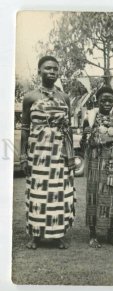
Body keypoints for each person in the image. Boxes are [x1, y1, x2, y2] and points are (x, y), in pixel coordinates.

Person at [20, 55, 76, 249]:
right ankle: (35, 236)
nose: (52, 72)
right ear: (39, 71)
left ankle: (57, 235)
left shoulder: (64, 98)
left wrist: (70, 155)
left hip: (59, 152)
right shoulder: (30, 97)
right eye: (48, 68)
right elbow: (25, 128)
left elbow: (68, 129)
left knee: (58, 192)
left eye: (55, 69)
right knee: (38, 192)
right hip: (38, 153)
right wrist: (23, 157)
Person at [81, 85, 113, 248]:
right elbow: (82, 143)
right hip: (95, 163)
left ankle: (110, 235)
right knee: (94, 196)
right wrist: (88, 136)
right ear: (97, 101)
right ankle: (93, 235)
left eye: (110, 100)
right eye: (103, 100)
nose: (107, 103)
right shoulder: (90, 119)